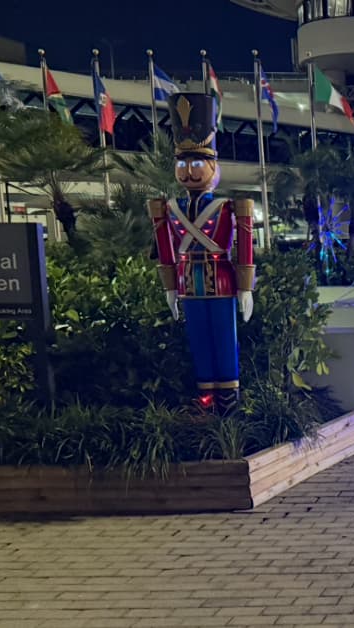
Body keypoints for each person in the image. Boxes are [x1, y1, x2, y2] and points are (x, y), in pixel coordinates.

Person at [148, 93, 256, 414]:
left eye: (196, 163)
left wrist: (245, 286)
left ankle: (228, 402)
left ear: (212, 166)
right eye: (182, 163)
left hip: (220, 278)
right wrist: (170, 286)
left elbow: (244, 244)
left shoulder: (226, 206)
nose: (189, 171)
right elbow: (165, 247)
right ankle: (206, 400)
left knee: (225, 341)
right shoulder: (169, 207)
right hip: (187, 283)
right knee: (199, 343)